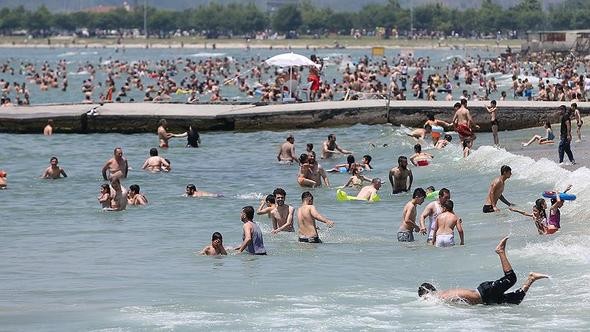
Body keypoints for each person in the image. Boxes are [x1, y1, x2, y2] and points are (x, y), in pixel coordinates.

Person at [418, 237, 548, 305]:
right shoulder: (441, 295)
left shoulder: (441, 297)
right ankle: (531, 278)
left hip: (484, 293)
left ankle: (500, 252)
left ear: (427, 294)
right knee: (516, 300)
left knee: (511, 279)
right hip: (486, 300)